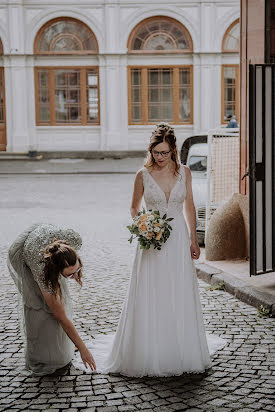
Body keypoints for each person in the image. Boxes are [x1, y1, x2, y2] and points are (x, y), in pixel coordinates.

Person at [73, 122, 225, 377]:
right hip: (152, 242)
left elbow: (189, 206)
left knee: (178, 289)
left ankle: (179, 347)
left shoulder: (184, 172)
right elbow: (134, 208)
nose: (160, 157)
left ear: (173, 150)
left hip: (177, 241)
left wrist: (194, 240)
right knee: (151, 290)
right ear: (151, 151)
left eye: (165, 152)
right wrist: (144, 226)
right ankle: (148, 349)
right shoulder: (142, 174)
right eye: (156, 152)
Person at [7, 223, 96, 376]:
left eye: (77, 270)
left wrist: (70, 272)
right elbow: (60, 316)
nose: (75, 276)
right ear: (55, 270)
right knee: (40, 305)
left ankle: (66, 342)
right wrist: (83, 349)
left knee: (59, 299)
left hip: (44, 237)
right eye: (69, 275)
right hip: (26, 254)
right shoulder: (42, 272)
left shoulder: (74, 239)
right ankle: (42, 351)